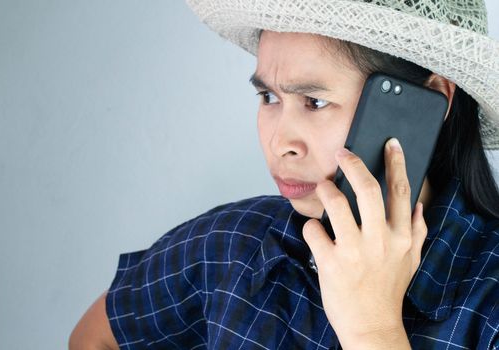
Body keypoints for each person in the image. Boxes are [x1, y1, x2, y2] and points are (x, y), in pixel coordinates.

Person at [69, 0, 499, 349]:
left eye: (313, 101)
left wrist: (373, 332)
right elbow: (92, 339)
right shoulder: (229, 248)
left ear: (429, 101)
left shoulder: (490, 302)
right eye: (268, 96)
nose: (279, 142)